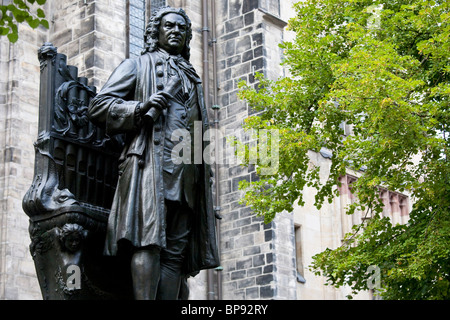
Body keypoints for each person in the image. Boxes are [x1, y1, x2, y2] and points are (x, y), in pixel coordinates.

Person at [88, 6, 219, 300]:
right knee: (148, 240)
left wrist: (203, 174)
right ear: (156, 32)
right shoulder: (136, 65)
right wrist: (140, 107)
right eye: (168, 26)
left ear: (187, 36)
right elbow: (99, 107)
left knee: (175, 254)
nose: (175, 31)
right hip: (150, 165)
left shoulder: (193, 78)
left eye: (181, 28)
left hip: (187, 176)